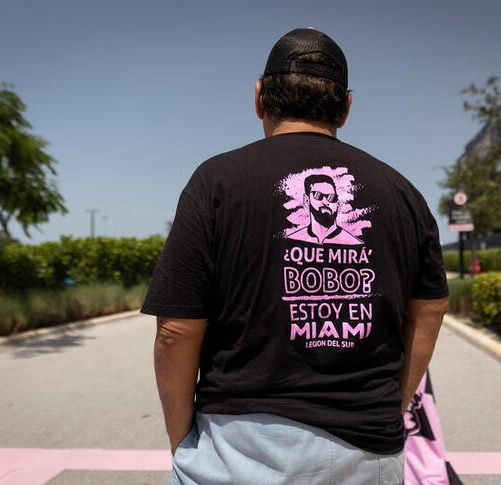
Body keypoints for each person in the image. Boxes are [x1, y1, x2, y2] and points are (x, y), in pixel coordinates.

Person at [142, 27, 449, 484]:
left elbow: (176, 330)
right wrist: (390, 408)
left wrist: (182, 440)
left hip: (239, 449)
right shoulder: (401, 192)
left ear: (260, 98)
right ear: (345, 107)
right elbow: (431, 308)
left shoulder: (217, 182)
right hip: (368, 452)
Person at [286, 173, 363, 245]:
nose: (326, 202)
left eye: (331, 197)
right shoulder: (292, 241)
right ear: (307, 200)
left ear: (338, 205)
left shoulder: (354, 244)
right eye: (318, 195)